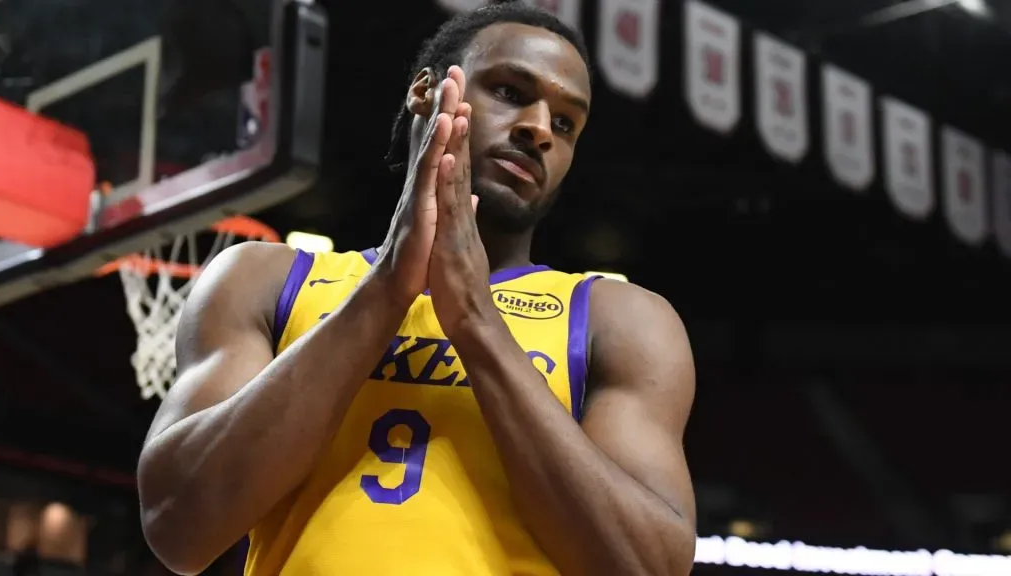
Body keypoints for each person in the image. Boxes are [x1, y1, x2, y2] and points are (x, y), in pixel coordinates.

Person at [137, 2, 697, 575]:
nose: (537, 129)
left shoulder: (619, 318)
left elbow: (649, 567)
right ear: (425, 91)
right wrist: (385, 292)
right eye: (509, 91)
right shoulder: (266, 278)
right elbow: (179, 528)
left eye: (564, 124)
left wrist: (476, 321)